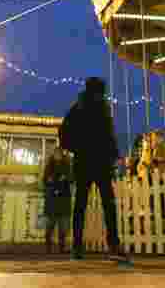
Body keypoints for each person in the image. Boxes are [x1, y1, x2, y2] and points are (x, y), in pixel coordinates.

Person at [61, 77, 128, 262]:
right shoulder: (100, 108)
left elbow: (64, 134)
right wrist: (113, 155)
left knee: (81, 205)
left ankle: (77, 246)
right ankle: (113, 244)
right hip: (99, 162)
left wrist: (76, 148)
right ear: (98, 91)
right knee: (108, 204)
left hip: (84, 162)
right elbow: (108, 134)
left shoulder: (77, 108)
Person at [42, 146, 74, 253]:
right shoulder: (49, 166)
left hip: (63, 199)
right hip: (52, 199)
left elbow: (70, 179)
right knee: (50, 225)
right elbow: (45, 180)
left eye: (59, 154)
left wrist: (64, 179)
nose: (57, 156)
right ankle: (48, 247)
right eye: (56, 154)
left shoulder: (67, 165)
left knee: (63, 227)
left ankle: (61, 247)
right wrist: (52, 182)